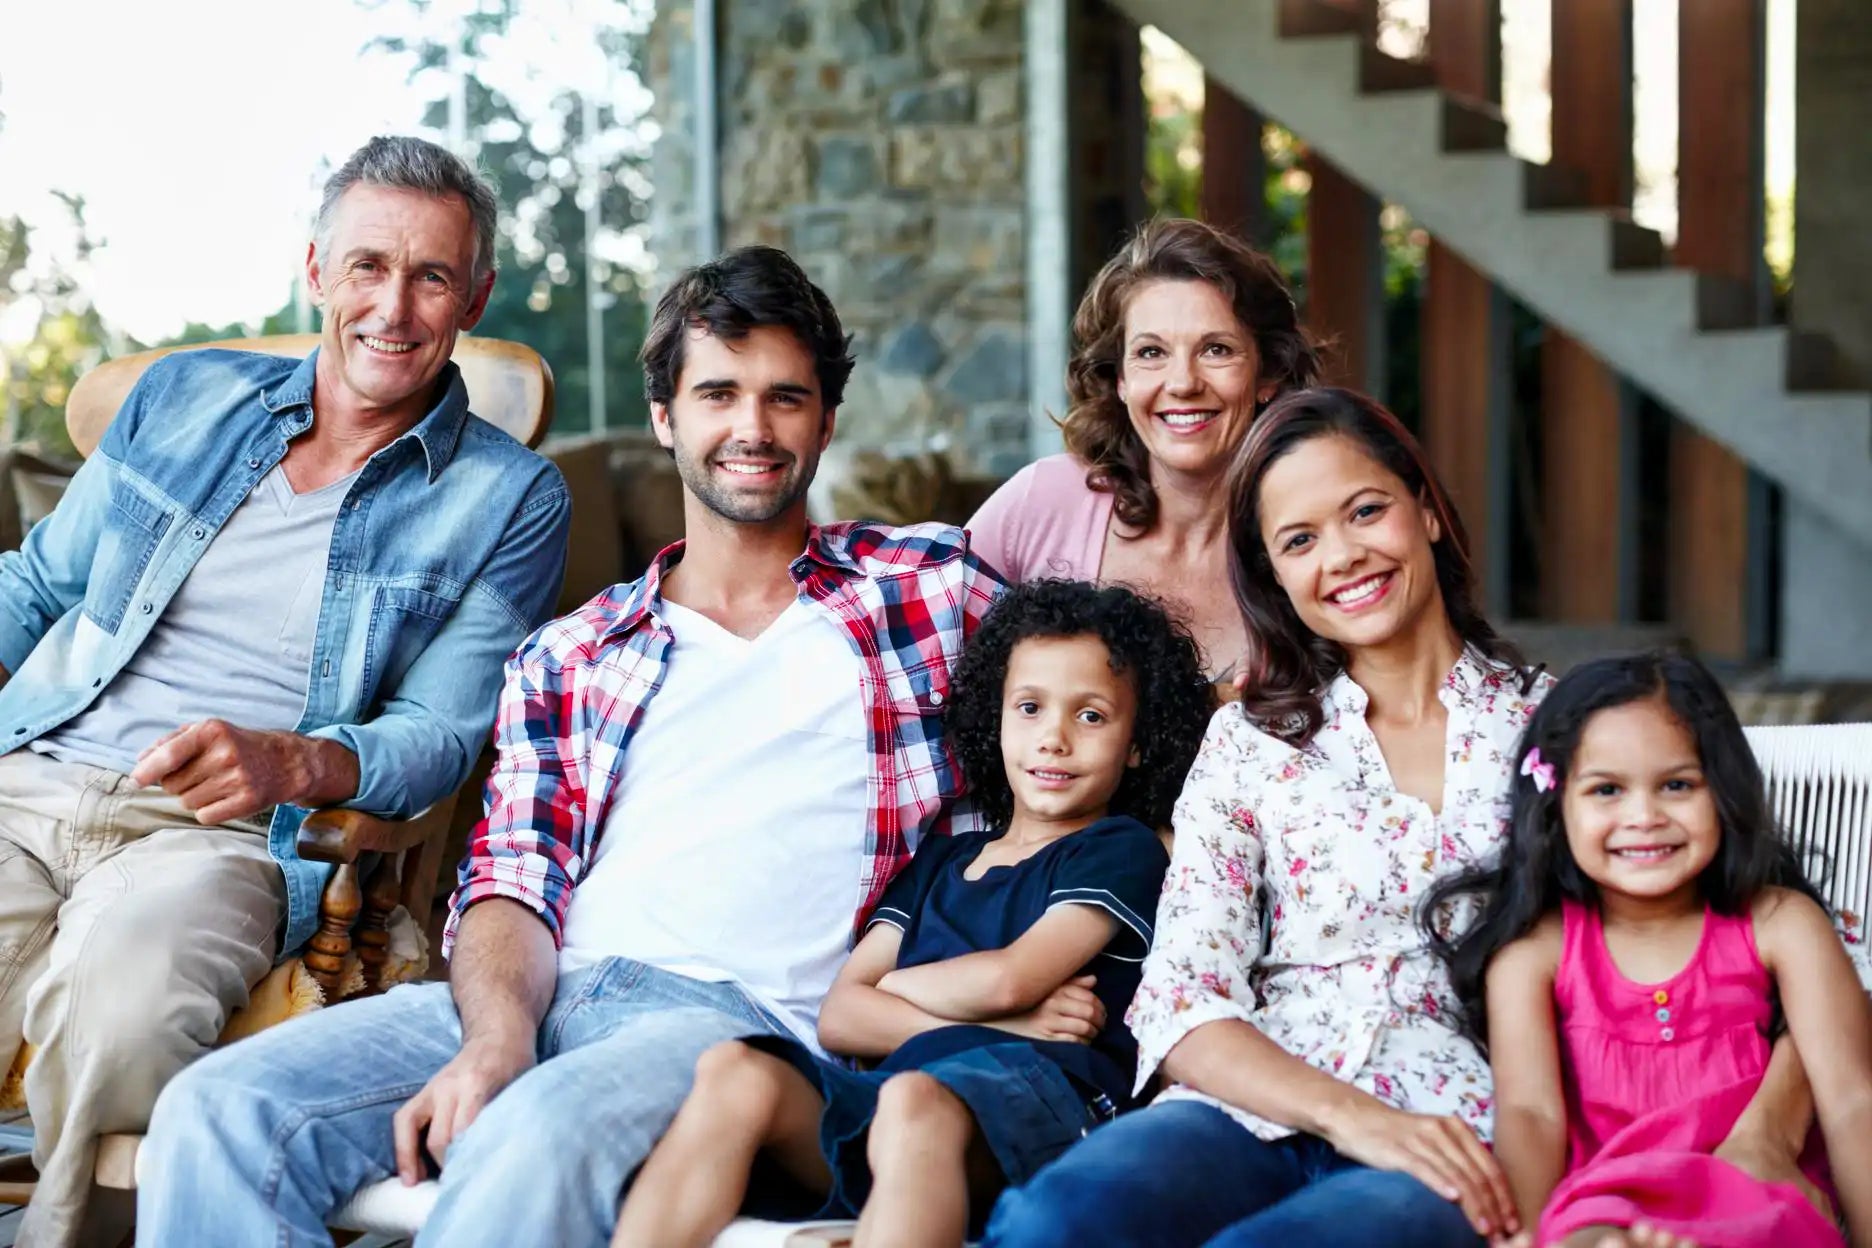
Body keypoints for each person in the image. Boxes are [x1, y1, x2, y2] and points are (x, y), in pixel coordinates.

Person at [135, 244, 1005, 1248]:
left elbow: (1108, 640)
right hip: (548, 991)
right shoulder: (575, 651)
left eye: (786, 398)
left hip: (736, 1029)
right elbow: (512, 875)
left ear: (827, 419)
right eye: (718, 393)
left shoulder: (929, 590)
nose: (752, 430)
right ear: (665, 418)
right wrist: (496, 1040)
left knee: (533, 1139)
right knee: (216, 1114)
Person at [984, 389, 1823, 1248]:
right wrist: (1353, 1117)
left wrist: (1769, 1130)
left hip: (1454, 1125)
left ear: (1424, 509)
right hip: (1240, 1107)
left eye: (1365, 511)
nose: (1343, 556)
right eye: (1300, 540)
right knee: (1058, 1217)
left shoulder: (1563, 728)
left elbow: (1800, 936)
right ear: (1272, 574)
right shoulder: (1251, 740)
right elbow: (1183, 999)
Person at [0, 135, 569, 1248]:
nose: (393, 309)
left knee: (121, 1009)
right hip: (34, 773)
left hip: (217, 831)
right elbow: (35, 585)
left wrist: (295, 761)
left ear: (476, 295)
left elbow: (442, 733)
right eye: (367, 267)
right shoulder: (179, 398)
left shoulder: (509, 499)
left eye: (432, 277)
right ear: (317, 271)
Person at [613, 578, 1214, 1248]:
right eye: (1030, 708)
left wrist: (899, 988)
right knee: (737, 1072)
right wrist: (1008, 1019)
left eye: (1092, 716)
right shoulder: (943, 859)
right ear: (996, 717)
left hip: (1045, 1105)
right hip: (908, 1098)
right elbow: (843, 1016)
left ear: (1138, 742)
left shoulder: (1116, 848)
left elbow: (1011, 977)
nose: (1054, 738)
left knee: (913, 1101)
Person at [1425, 652, 1872, 1248]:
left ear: (1725, 793)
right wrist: (1525, 1238)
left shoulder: (1780, 926)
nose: (1644, 817)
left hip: (1755, 1200)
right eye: (1607, 789)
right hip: (1605, 1205)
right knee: (1592, 1235)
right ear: (1556, 806)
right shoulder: (1537, 955)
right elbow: (1532, 1116)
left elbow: (1851, 1101)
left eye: (1677, 785)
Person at [965, 217, 1320, 683]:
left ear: (1268, 374)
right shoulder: (1045, 503)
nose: (1182, 383)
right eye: (1151, 353)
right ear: (1121, 380)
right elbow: (922, 670)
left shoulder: (1312, 533)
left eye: (1216, 349)